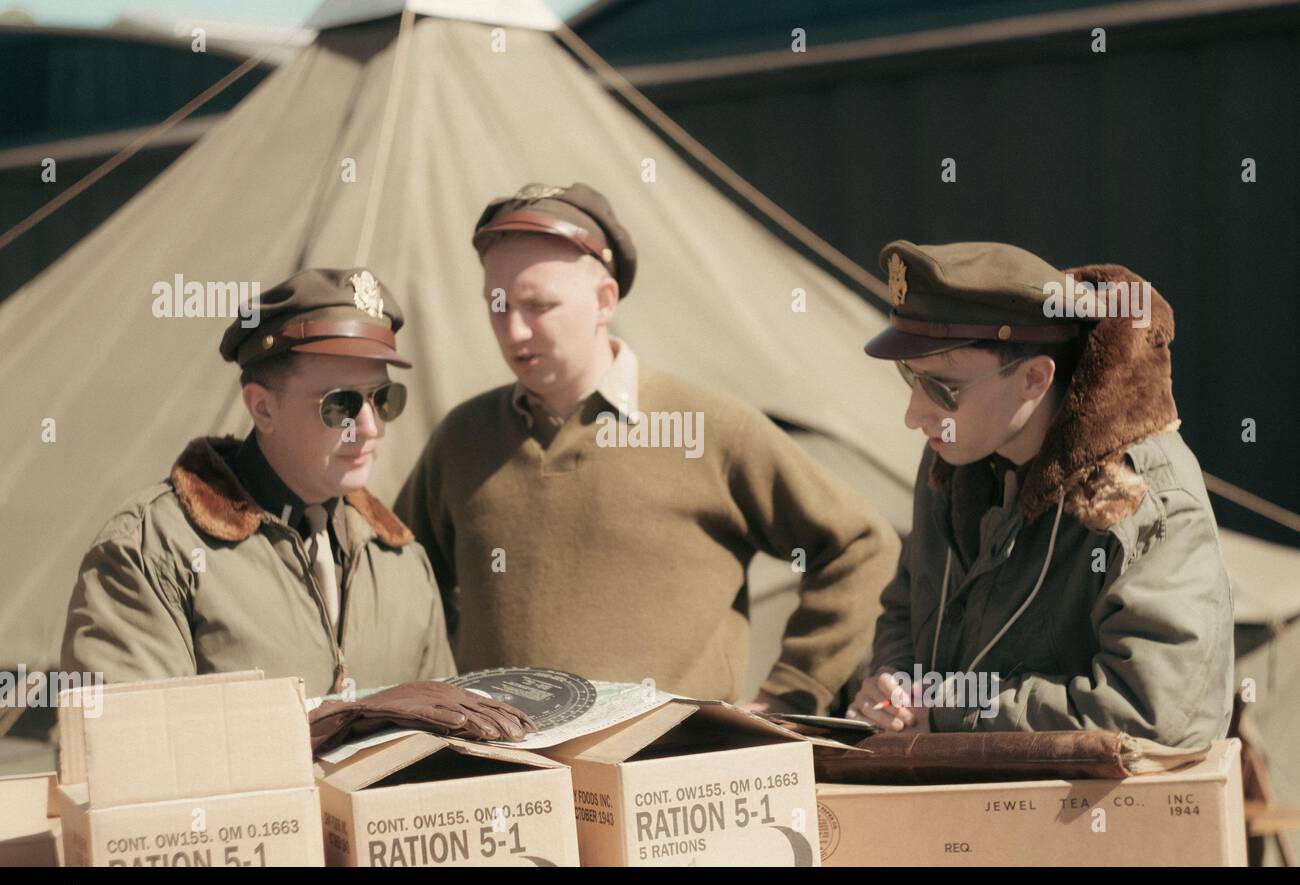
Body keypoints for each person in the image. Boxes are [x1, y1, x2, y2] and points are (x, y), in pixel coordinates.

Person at [395, 182, 899, 714]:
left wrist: (792, 691)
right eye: (498, 307)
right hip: (515, 778)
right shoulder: (462, 439)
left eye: (538, 305)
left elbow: (861, 545)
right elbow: (401, 588)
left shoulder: (707, 426)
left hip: (676, 775)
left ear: (604, 301)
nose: (514, 329)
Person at [847, 240, 1233, 748]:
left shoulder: (1141, 495)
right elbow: (908, 600)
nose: (914, 414)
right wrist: (893, 684)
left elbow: (1156, 712)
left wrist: (953, 713)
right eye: (909, 377)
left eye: (943, 388)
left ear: (1034, 378)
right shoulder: (951, 456)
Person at [62, 267, 455, 696]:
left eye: (383, 399)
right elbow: (136, 748)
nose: (369, 427)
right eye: (340, 404)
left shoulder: (400, 562)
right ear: (263, 408)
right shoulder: (151, 552)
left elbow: (445, 742)